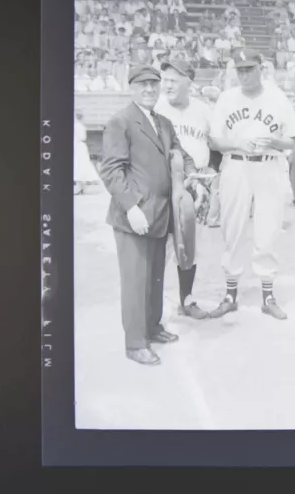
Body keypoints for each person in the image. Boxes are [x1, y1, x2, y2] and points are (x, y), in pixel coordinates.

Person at [99, 65, 196, 366]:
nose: (150, 90)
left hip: (161, 213)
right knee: (135, 281)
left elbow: (181, 154)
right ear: (132, 88)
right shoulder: (121, 121)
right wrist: (131, 207)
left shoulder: (164, 123)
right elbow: (112, 170)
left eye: (154, 84)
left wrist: (192, 173)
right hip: (136, 216)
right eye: (143, 85)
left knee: (154, 277)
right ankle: (135, 342)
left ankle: (152, 327)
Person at [208, 49, 295, 320]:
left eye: (250, 68)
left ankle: (268, 296)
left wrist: (273, 142)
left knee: (268, 229)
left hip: (269, 166)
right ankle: (230, 294)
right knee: (232, 228)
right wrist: (237, 143)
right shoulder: (226, 99)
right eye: (241, 70)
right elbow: (214, 141)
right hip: (236, 165)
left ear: (262, 68)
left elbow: (293, 141)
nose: (245, 74)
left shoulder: (277, 97)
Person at [154, 60, 216, 320]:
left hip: (195, 184)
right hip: (162, 184)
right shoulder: (155, 108)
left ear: (188, 82)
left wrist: (208, 177)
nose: (167, 85)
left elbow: (217, 147)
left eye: (174, 80)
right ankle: (153, 306)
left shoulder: (204, 111)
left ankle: (187, 300)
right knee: (160, 247)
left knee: (189, 245)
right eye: (165, 80)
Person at [74, 110, 100, 194]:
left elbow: (78, 138)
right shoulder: (81, 126)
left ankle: (80, 187)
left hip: (78, 146)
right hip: (81, 146)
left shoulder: (76, 126)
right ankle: (82, 187)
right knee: (82, 165)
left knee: (79, 165)